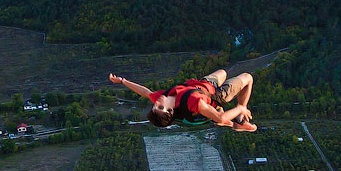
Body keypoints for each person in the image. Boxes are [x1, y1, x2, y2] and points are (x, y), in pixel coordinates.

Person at [109, 68, 257, 131]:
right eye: (160, 107)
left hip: (201, 85)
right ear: (171, 110)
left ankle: (229, 121)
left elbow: (145, 92)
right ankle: (240, 119)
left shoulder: (164, 98)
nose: (158, 102)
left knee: (223, 72)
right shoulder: (193, 102)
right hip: (215, 95)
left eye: (155, 106)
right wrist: (241, 108)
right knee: (248, 78)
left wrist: (122, 81)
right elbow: (220, 117)